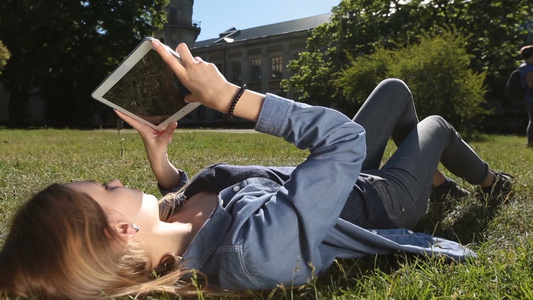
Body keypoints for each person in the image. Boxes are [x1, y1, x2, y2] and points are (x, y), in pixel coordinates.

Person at [0, 40, 514, 299]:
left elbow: (189, 209)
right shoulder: (251, 256)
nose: (116, 181)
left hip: (347, 182)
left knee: (395, 92)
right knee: (437, 125)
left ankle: (441, 185)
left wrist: (163, 166)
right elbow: (343, 140)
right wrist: (232, 98)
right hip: (380, 201)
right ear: (122, 230)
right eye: (108, 187)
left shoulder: (177, 231)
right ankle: (490, 184)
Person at [519, 45, 533, 147]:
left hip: (528, 97)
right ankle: (530, 142)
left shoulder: (524, 66)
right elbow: (530, 84)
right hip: (531, 98)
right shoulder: (529, 68)